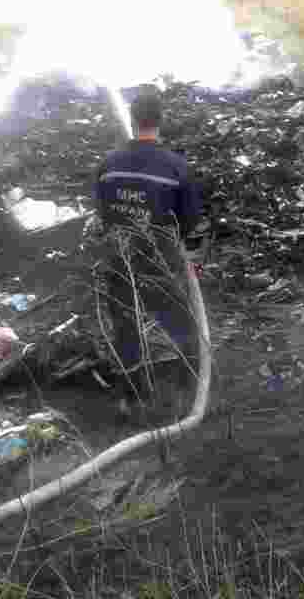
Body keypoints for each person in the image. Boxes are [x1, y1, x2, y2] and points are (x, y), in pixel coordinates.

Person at [93, 84, 201, 421]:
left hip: (118, 257)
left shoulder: (108, 165)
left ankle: (132, 397)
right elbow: (189, 221)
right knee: (180, 322)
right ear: (161, 120)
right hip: (157, 260)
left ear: (132, 118)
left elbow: (103, 213)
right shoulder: (175, 167)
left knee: (125, 325)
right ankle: (188, 389)